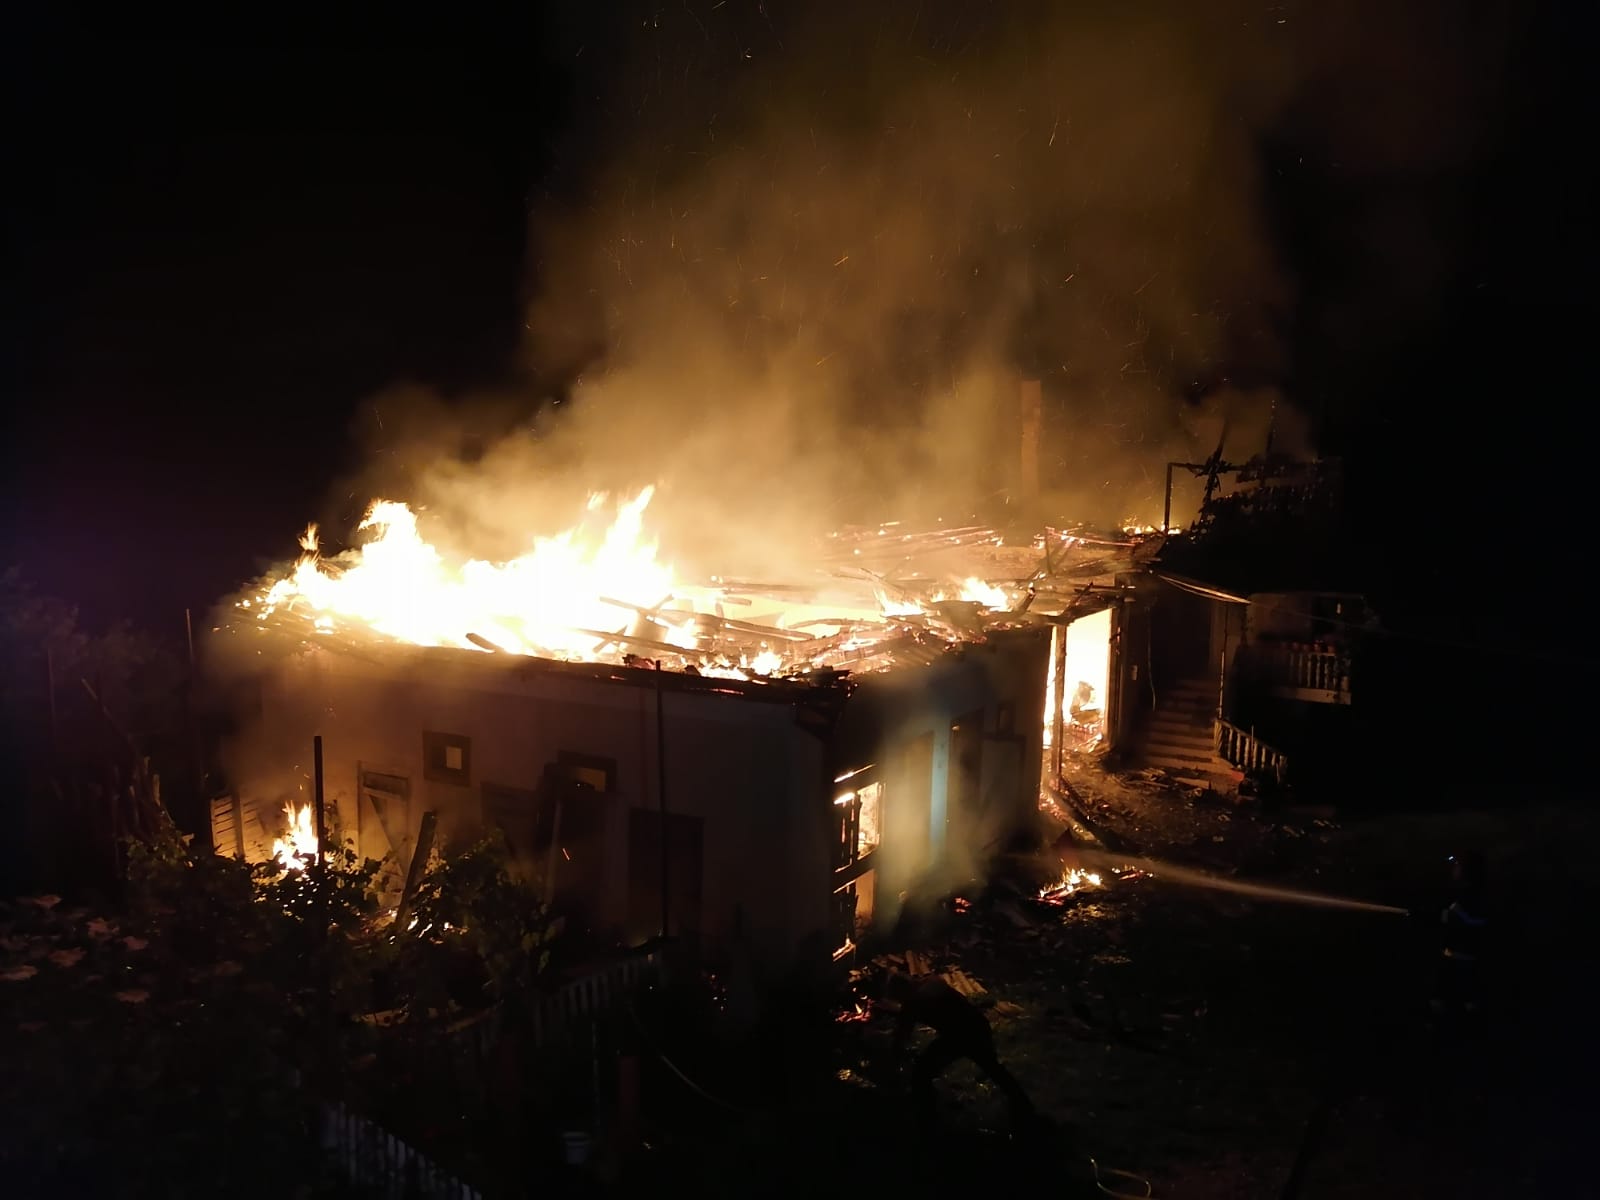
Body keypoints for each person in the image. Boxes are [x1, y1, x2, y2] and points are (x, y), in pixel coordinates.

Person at [884, 971, 1035, 1128]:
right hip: (976, 1025)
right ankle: (1023, 1105)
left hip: (960, 1036)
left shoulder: (913, 1002)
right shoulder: (931, 983)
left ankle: (927, 1117)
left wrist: (892, 1060)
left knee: (922, 1073)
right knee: (993, 1068)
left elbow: (901, 1036)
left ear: (900, 992)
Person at [1432, 851, 1489, 1030]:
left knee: (1454, 1005)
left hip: (1461, 962)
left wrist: (1437, 916)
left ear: (1467, 871)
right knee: (1462, 1004)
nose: (1454, 868)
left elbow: (1458, 919)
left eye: (1458, 865)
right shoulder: (1469, 894)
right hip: (1460, 960)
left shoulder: (1471, 896)